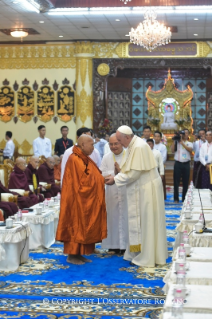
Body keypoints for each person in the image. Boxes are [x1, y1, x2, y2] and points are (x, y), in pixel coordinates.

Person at [105, 125, 167, 267]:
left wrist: (115, 179)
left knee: (147, 222)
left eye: (120, 141)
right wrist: (119, 174)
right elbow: (131, 169)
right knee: (141, 222)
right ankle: (136, 252)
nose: (119, 144)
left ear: (127, 137)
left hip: (147, 188)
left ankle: (147, 256)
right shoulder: (133, 145)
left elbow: (134, 174)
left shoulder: (138, 146)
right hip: (141, 187)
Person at [56, 135, 107, 265]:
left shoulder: (84, 158)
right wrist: (101, 180)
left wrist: (101, 179)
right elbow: (85, 182)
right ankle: (72, 255)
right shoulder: (75, 159)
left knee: (83, 226)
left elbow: (91, 176)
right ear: (83, 145)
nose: (93, 148)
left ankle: (79, 254)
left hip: (82, 199)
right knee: (75, 226)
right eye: (91, 145)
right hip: (75, 200)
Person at [100, 133, 128, 254]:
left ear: (121, 142)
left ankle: (126, 246)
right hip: (111, 191)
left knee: (126, 218)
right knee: (113, 218)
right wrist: (115, 173)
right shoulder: (106, 157)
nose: (113, 146)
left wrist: (120, 173)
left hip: (126, 191)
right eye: (111, 144)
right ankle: (113, 245)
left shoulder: (129, 155)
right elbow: (102, 174)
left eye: (116, 143)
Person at [171, 130, 193, 203]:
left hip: (186, 164)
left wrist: (182, 143)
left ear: (188, 135)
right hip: (178, 163)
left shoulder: (189, 143)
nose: (184, 135)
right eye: (183, 133)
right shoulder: (177, 142)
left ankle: (184, 198)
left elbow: (190, 150)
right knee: (176, 182)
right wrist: (174, 141)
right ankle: (176, 199)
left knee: (185, 182)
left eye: (186, 133)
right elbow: (172, 151)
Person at [153, 131, 167, 199]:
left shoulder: (163, 147)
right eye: (155, 136)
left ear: (161, 138)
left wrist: (158, 165)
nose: (157, 138)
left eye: (158, 136)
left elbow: (164, 158)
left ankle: (162, 198)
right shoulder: (151, 145)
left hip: (159, 167)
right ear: (153, 137)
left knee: (161, 183)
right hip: (152, 168)